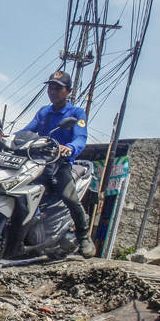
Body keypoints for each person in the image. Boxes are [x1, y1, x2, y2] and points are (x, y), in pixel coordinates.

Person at [21, 70, 95, 258]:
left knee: (69, 197)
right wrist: (9, 138)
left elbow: (80, 138)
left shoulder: (76, 113)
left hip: (59, 165)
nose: (53, 91)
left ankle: (83, 236)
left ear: (68, 91)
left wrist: (68, 148)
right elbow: (28, 130)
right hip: (37, 163)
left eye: (58, 88)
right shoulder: (44, 112)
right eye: (51, 87)